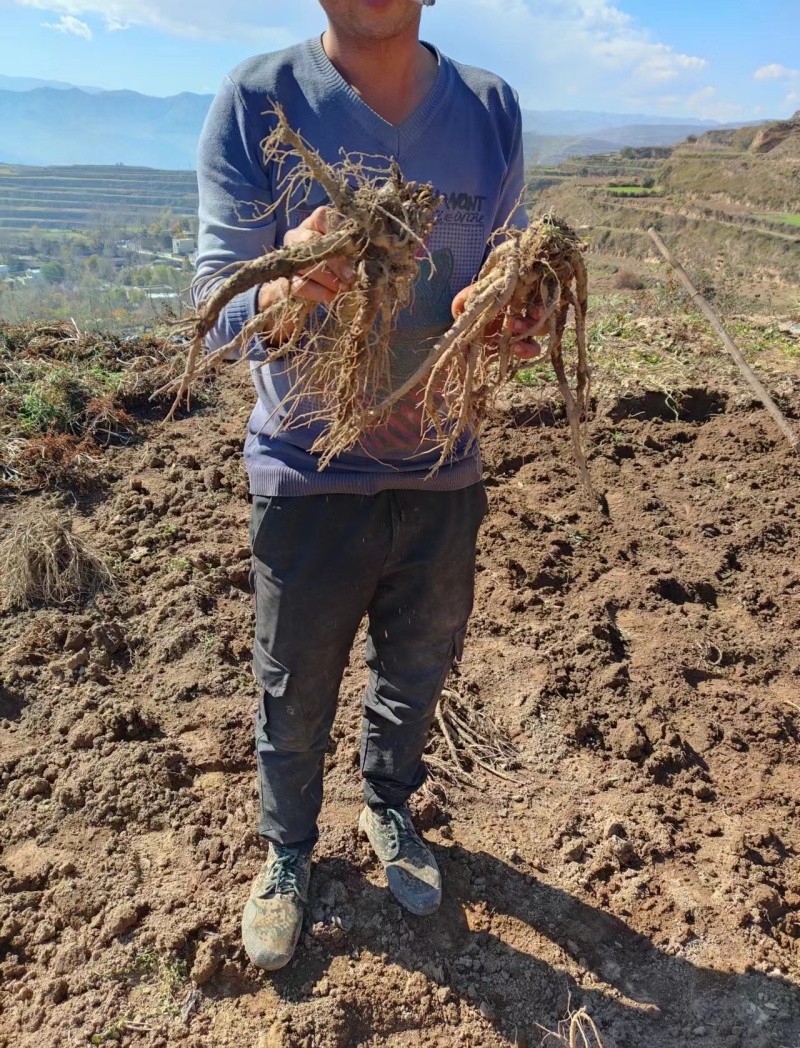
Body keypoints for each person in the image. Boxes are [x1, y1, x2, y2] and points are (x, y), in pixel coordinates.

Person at [193, 0, 545, 972]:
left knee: (416, 669)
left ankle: (387, 805)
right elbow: (215, 305)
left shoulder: (490, 110)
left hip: (443, 468)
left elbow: (500, 286)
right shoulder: (256, 103)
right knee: (292, 688)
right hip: (307, 472)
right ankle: (287, 852)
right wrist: (287, 284)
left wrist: (513, 315)